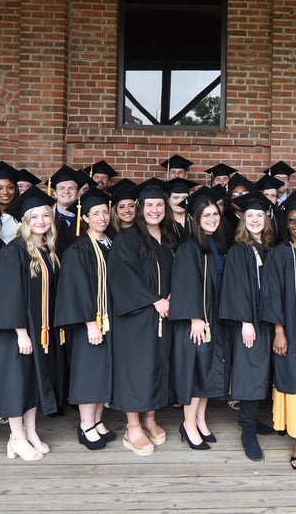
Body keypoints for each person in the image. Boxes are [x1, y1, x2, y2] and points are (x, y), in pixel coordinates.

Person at [0, 188, 64, 462]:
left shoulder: (47, 250)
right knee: (17, 383)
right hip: (17, 331)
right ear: (25, 221)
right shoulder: (14, 251)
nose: (41, 221)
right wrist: (21, 333)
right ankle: (16, 436)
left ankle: (29, 432)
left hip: (39, 329)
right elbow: (8, 294)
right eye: (34, 217)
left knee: (32, 382)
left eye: (45, 216)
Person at [107, 181, 177, 456]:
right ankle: (133, 427)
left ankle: (150, 419)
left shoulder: (170, 237)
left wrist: (173, 296)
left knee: (156, 365)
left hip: (163, 314)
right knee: (135, 369)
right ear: (140, 208)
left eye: (159, 205)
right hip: (136, 317)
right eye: (149, 205)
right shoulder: (127, 239)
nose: (154, 210)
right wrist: (154, 300)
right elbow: (122, 276)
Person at [56, 191, 119, 450]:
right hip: (90, 324)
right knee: (89, 373)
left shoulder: (111, 243)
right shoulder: (78, 248)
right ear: (85, 218)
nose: (102, 217)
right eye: (96, 214)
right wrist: (89, 322)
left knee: (104, 372)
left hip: (110, 321)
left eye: (105, 212)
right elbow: (75, 288)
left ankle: (97, 420)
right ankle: (85, 425)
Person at [220, 192, 278, 461]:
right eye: (250, 216)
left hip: (267, 320)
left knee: (261, 372)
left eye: (260, 216)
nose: (255, 220)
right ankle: (247, 430)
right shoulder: (238, 250)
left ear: (266, 220)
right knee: (249, 374)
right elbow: (235, 288)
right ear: (243, 220)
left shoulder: (268, 247)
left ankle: (251, 419)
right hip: (249, 322)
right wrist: (245, 322)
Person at [262, 193, 296, 470]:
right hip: (292, 331)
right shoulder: (278, 254)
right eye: (293, 220)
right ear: (286, 223)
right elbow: (271, 294)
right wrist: (279, 330)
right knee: (294, 379)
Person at [169, 190, 227, 452]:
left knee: (207, 371)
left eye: (215, 214)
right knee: (194, 372)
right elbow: (185, 284)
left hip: (212, 316)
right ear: (196, 218)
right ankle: (188, 424)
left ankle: (201, 419)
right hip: (197, 320)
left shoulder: (216, 244)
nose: (212, 219)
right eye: (206, 215)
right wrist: (195, 317)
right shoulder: (189, 247)